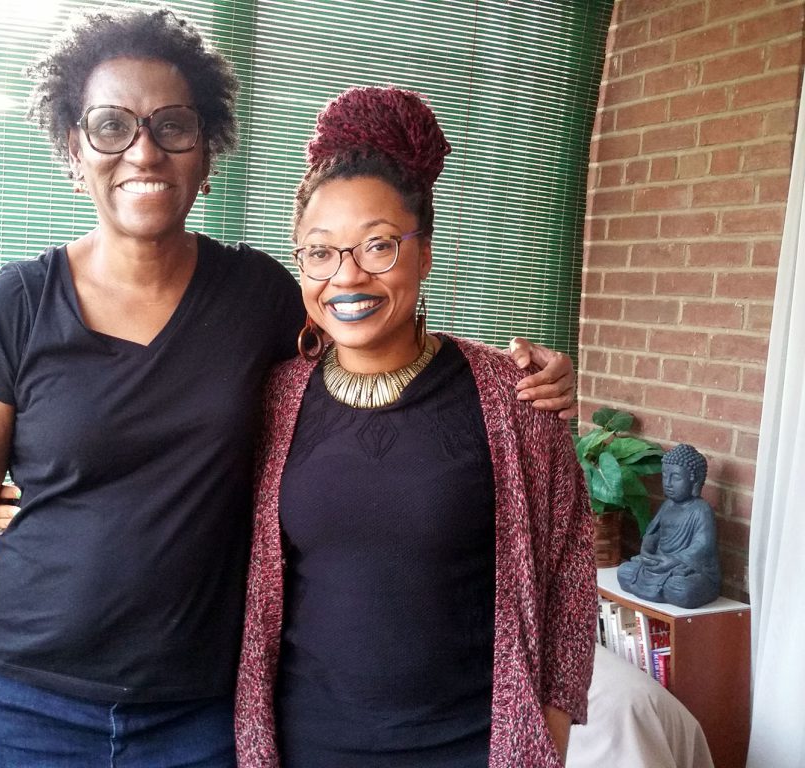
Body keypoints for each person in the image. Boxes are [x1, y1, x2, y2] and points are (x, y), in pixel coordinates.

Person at [0, 6, 578, 768]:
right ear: (74, 146)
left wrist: (519, 372)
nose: (144, 150)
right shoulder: (10, 311)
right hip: (28, 702)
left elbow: (369, 320)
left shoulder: (257, 297)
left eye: (172, 126)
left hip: (200, 714)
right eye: (110, 126)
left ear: (206, 155)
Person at [233, 86, 596, 768]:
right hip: (307, 746)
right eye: (321, 251)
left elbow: (571, 578)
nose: (348, 275)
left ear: (424, 252)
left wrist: (547, 731)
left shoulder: (516, 399)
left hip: (469, 748)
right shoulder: (272, 400)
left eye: (378, 245)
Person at [617, 444, 721, 609]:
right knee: (624, 571)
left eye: (676, 478)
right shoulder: (667, 505)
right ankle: (662, 586)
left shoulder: (701, 509)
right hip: (659, 564)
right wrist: (647, 551)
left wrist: (672, 561)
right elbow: (653, 533)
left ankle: (671, 588)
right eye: (665, 476)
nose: (668, 483)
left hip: (684, 567)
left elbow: (703, 546)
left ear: (694, 480)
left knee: (681, 590)